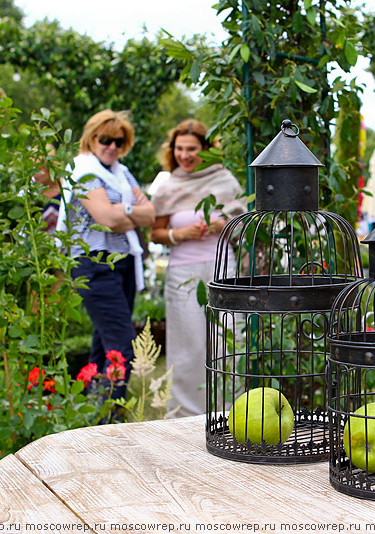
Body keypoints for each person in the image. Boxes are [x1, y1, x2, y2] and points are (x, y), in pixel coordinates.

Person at [57, 110, 155, 405]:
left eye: (119, 140)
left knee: (104, 347)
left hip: (122, 263)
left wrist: (122, 213)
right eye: (105, 139)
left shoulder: (122, 172)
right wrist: (129, 213)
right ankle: (110, 418)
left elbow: (150, 214)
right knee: (122, 347)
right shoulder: (84, 169)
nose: (111, 146)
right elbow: (107, 219)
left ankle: (93, 416)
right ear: (91, 137)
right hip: (94, 263)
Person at [150, 119, 245, 417]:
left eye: (191, 149)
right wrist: (180, 234)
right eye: (179, 149)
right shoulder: (168, 186)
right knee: (187, 346)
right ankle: (185, 415)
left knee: (229, 340)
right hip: (183, 273)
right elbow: (155, 233)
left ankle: (230, 411)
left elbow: (243, 228)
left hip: (222, 270)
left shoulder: (225, 181)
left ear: (206, 149)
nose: (185, 155)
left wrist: (221, 224)